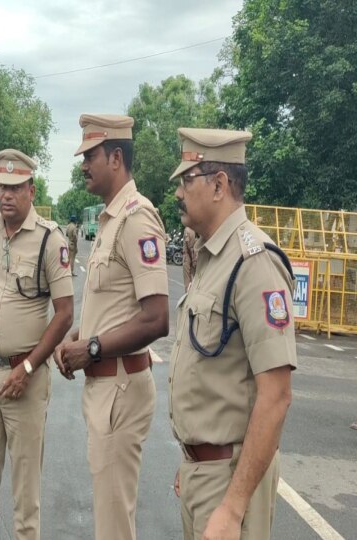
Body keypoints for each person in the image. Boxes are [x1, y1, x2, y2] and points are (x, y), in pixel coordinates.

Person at [168, 128, 295, 539]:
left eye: (187, 181)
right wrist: (192, 459)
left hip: (229, 482)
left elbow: (275, 396)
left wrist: (233, 505)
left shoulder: (254, 262)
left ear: (219, 184)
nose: (178, 193)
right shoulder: (212, 257)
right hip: (204, 474)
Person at [55, 114, 169, 540]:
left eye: (90, 155)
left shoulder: (137, 219)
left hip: (120, 388)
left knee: (114, 525)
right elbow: (115, 305)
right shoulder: (108, 221)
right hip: (105, 388)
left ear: (116, 157)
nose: (83, 164)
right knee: (111, 518)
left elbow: (157, 317)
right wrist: (78, 340)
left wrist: (94, 348)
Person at [0, 149, 74, 540]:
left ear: (31, 190)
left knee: (26, 498)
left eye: (14, 188)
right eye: (1, 187)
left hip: (27, 378)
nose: (6, 196)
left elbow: (65, 313)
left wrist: (27, 368)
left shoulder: (49, 240)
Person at [182, 226, 197, 291]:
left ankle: (188, 293)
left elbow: (189, 245)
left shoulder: (188, 230)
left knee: (187, 280)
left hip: (189, 255)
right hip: (192, 254)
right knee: (195, 277)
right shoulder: (193, 229)